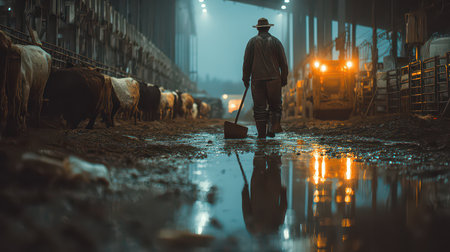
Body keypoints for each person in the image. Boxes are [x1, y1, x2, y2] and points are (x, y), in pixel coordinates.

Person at [242, 18, 288, 139]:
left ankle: (261, 134)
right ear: (268, 28)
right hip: (274, 79)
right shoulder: (276, 42)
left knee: (259, 108)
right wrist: (284, 78)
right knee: (275, 106)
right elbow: (283, 63)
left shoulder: (251, 42)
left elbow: (247, 62)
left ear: (257, 28)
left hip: (257, 80)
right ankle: (273, 129)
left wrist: (245, 78)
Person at [241, 151, 287, 235]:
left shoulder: (256, 229)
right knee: (261, 165)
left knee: (271, 165)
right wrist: (245, 193)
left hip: (265, 193)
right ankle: (264, 146)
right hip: (265, 192)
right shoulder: (253, 229)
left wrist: (283, 192)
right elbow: (246, 209)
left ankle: (267, 146)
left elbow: (283, 208)